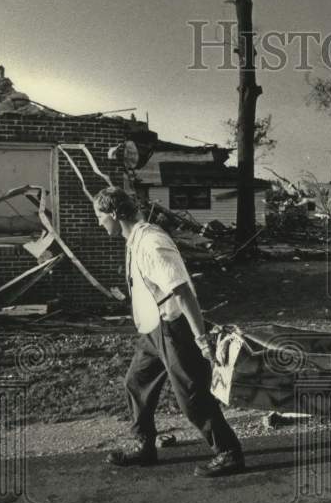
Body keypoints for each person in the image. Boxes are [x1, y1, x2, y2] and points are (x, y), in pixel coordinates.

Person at [92, 186, 245, 478]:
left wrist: (201, 339)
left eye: (100, 216)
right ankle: (144, 446)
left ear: (113, 213)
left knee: (192, 395)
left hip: (173, 328)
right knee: (136, 382)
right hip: (153, 331)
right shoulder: (134, 239)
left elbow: (183, 291)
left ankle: (228, 453)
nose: (99, 222)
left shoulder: (151, 242)